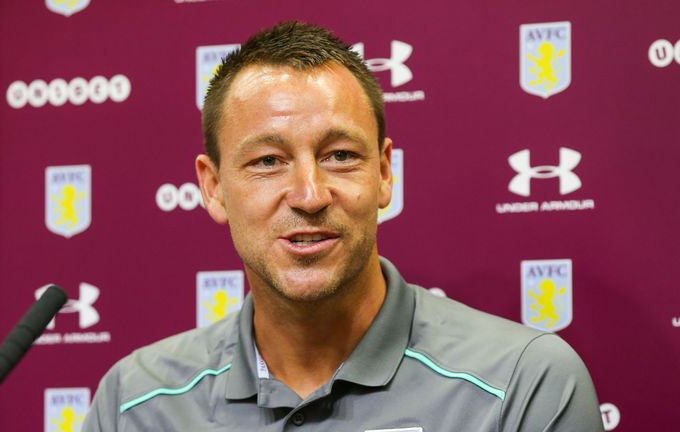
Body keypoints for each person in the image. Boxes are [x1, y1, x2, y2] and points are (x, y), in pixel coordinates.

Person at [82, 21, 604, 431]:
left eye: (339, 155)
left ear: (383, 173)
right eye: (267, 161)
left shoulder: (523, 383)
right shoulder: (133, 404)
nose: (309, 195)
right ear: (214, 187)